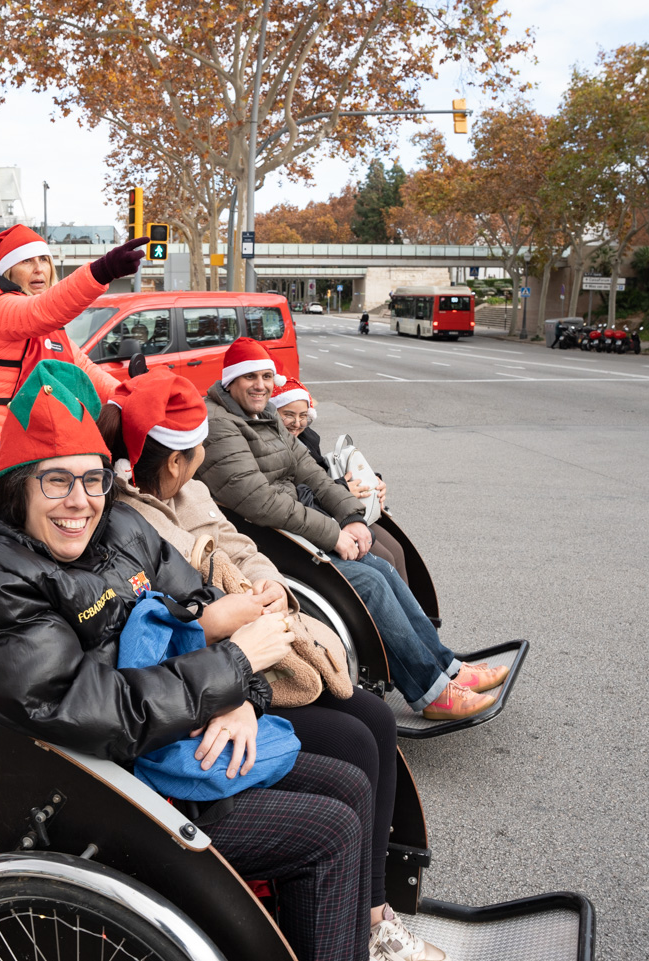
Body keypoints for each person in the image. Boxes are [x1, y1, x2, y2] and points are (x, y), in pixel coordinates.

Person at [0, 360, 378, 961]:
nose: (78, 503)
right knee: (330, 830)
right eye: (55, 482)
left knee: (351, 780)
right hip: (91, 784)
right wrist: (234, 668)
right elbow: (83, 705)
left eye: (92, 480)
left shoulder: (118, 526)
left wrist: (241, 696)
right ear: (18, 486)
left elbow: (197, 601)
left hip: (160, 733)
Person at [98, 369, 449, 961]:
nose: (264, 387)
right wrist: (239, 639)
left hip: (252, 641)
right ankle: (356, 916)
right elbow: (175, 618)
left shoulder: (191, 490)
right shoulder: (133, 521)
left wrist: (266, 589)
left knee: (378, 723)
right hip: (222, 665)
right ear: (180, 459)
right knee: (356, 746)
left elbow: (237, 543)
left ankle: (370, 913)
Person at [194, 338, 506, 721]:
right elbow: (259, 501)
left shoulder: (263, 415)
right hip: (263, 538)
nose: (260, 385)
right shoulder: (221, 424)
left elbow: (310, 470)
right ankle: (430, 692)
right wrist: (333, 533)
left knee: (383, 568)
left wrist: (352, 516)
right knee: (368, 584)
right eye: (250, 377)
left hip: (291, 528)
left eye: (265, 376)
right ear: (229, 382)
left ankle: (448, 667)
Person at [0, 224, 148, 439]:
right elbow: (39, 311)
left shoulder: (51, 325)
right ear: (8, 271)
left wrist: (132, 395)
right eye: (27, 260)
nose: (38, 268)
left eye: (44, 260)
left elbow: (86, 371)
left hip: (31, 439)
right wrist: (103, 270)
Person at [270, 377, 406, 583]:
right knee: (385, 560)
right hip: (321, 518)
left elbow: (325, 474)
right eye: (288, 415)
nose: (297, 423)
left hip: (338, 508)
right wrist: (343, 489)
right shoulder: (275, 448)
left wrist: (371, 483)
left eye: (303, 416)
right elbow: (298, 493)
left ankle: (416, 614)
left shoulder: (307, 438)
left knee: (397, 550)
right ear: (273, 414)